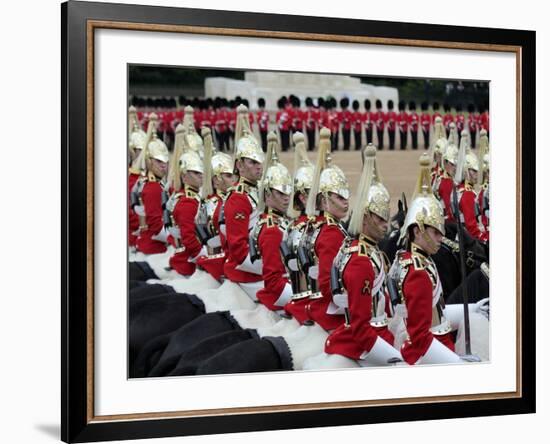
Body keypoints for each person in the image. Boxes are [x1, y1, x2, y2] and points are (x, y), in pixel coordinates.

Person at [325, 145, 403, 366]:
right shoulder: (361, 261)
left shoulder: (369, 249)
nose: (386, 226)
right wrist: (394, 359)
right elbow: (361, 328)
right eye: (380, 219)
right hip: (367, 344)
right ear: (366, 217)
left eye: (386, 219)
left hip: (380, 331)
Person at [388, 154, 462, 365]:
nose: (441, 238)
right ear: (418, 231)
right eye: (436, 232)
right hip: (432, 354)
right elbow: (421, 337)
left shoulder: (417, 259)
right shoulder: (418, 272)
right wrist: (456, 364)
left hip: (440, 340)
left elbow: (435, 310)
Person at [302, 128, 350, 331]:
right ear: (324, 200)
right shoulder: (331, 233)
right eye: (339, 198)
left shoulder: (326, 224)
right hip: (333, 314)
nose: (346, 203)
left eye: (346, 196)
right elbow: (328, 285)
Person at [222, 104, 266, 299]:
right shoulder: (238, 198)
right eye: (252, 162)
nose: (258, 167)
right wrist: (273, 267)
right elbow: (239, 251)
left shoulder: (258, 191)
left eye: (259, 162)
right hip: (249, 277)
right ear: (239, 165)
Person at [250, 132, 295, 311]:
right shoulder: (271, 229)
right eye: (280, 193)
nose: (286, 198)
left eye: (288, 193)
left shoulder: (276, 221)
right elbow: (274, 282)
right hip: (280, 300)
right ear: (267, 194)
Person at [133, 116, 171, 255]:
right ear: (149, 162)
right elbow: (156, 227)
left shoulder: (152, 182)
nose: (164, 166)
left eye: (166, 162)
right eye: (159, 161)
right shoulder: (153, 187)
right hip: (155, 249)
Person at [166, 150, 206, 276]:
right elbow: (189, 238)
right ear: (184, 177)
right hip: (187, 265)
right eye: (195, 173)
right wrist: (205, 257)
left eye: (201, 172)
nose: (200, 176)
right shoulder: (188, 202)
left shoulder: (190, 197)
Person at [433, 143, 458, 221]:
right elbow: (449, 208)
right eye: (452, 164)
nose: (455, 168)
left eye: (456, 165)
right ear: (445, 163)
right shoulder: (447, 182)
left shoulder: (444, 178)